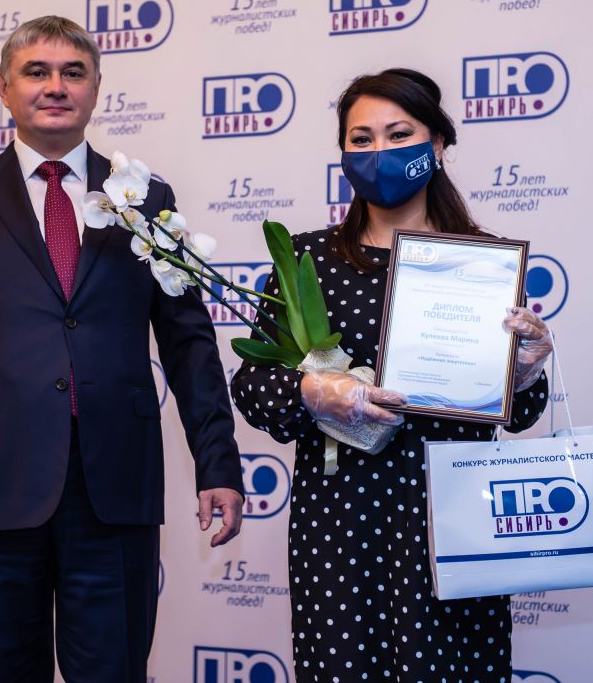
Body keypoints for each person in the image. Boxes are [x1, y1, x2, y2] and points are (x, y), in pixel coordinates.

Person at [0, 15, 244, 683]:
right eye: (37, 72)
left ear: (96, 88)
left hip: (115, 483)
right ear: (4, 87)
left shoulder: (145, 197)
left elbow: (189, 342)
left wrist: (217, 463)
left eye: (73, 72)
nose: (56, 86)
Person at [231, 68, 553, 683]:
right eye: (361, 139)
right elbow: (252, 388)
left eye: (399, 134)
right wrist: (315, 392)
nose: (379, 151)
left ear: (438, 144)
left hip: (455, 517)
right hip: (341, 521)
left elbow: (517, 412)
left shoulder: (482, 263)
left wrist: (526, 372)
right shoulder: (306, 260)